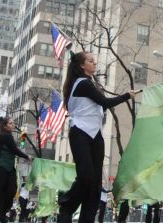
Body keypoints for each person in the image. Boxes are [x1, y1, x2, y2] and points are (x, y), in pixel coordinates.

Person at [58, 51, 139, 223]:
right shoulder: (83, 84)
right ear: (81, 65)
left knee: (95, 185)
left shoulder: (92, 83)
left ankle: (86, 219)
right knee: (86, 176)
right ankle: (66, 204)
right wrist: (127, 96)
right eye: (91, 61)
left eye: (95, 61)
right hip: (80, 132)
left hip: (96, 135)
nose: (95, 63)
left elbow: (99, 109)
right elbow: (105, 103)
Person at [0, 116, 32, 223]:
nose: (13, 125)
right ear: (4, 126)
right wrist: (27, 156)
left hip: (9, 168)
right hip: (0, 166)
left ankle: (1, 214)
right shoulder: (6, 136)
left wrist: (23, 138)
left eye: (13, 123)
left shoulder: (8, 136)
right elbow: (15, 149)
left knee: (11, 191)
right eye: (10, 123)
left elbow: (16, 148)